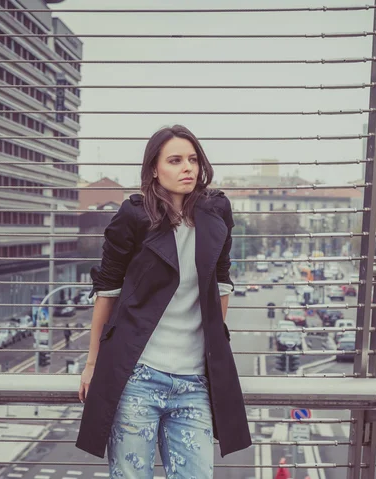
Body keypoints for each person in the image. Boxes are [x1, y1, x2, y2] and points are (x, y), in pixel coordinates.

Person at [75, 125, 251, 477]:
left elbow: (221, 282)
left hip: (194, 382)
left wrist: (213, 349)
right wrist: (93, 363)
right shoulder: (134, 216)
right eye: (175, 160)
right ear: (154, 168)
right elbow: (107, 292)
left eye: (193, 159)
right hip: (138, 376)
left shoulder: (216, 213)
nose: (188, 168)